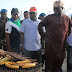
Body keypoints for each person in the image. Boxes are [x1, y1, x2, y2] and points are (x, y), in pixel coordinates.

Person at [38, 0, 71, 72]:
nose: (59, 10)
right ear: (54, 9)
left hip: (61, 48)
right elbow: (40, 25)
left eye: (61, 8)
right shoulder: (49, 18)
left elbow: (69, 30)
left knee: (58, 68)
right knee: (49, 67)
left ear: (62, 8)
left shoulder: (67, 18)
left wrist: (67, 40)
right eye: (57, 8)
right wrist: (44, 36)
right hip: (50, 48)